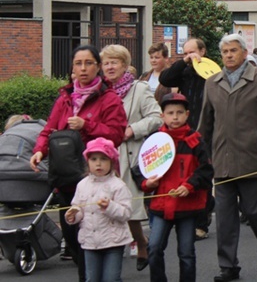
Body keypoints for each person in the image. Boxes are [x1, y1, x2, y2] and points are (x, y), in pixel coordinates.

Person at [30, 45, 127, 282]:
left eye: (88, 63)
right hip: (66, 177)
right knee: (74, 236)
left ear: (98, 67)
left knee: (99, 233)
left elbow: (117, 134)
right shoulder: (64, 98)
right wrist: (39, 150)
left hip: (98, 176)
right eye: (78, 63)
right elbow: (49, 129)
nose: (83, 69)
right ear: (72, 67)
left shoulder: (109, 98)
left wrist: (87, 126)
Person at [200, 33, 257, 281]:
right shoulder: (212, 83)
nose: (228, 55)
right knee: (225, 218)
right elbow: (204, 126)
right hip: (223, 161)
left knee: (253, 211)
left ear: (243, 53)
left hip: (253, 159)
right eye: (225, 52)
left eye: (233, 51)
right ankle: (228, 266)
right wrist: (198, 156)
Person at [137, 93, 213, 282]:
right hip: (160, 206)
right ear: (162, 115)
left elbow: (206, 171)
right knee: (154, 248)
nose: (175, 117)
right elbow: (139, 170)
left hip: (187, 207)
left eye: (180, 112)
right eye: (170, 113)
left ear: (187, 114)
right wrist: (147, 183)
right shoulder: (154, 141)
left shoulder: (195, 141)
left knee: (186, 252)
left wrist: (189, 185)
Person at [100, 44, 162, 270]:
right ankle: (111, 256)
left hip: (130, 155)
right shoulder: (100, 92)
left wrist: (132, 129)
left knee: (130, 210)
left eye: (114, 62)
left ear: (125, 66)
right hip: (105, 157)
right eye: (106, 63)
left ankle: (141, 242)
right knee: (106, 208)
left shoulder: (139, 89)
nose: (109, 67)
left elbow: (157, 116)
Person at [159, 37, 213, 240]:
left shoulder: (212, 72)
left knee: (202, 173)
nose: (189, 56)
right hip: (185, 129)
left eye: (193, 52)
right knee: (185, 173)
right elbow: (165, 79)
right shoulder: (184, 71)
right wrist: (184, 62)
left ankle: (202, 221)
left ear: (203, 51)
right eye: (185, 53)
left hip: (206, 128)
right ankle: (188, 214)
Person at [65, 137, 132, 282]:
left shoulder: (118, 185)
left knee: (111, 279)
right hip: (90, 241)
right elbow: (78, 207)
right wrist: (73, 215)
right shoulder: (82, 184)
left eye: (103, 159)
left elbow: (126, 213)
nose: (98, 163)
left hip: (114, 241)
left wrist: (110, 207)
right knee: (92, 279)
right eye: (94, 159)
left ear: (111, 162)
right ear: (87, 162)